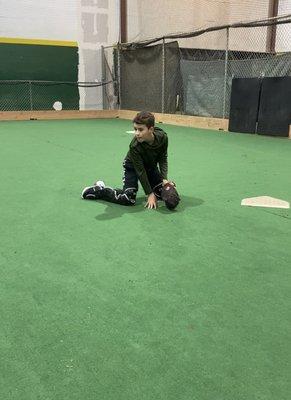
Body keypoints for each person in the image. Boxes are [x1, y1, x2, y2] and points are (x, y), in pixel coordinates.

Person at [81, 111, 180, 210]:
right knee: (128, 199)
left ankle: (155, 188)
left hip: (150, 167)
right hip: (132, 167)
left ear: (151, 129)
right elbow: (140, 171)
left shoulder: (163, 138)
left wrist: (164, 179)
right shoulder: (135, 146)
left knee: (162, 193)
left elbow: (163, 158)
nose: (137, 133)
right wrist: (149, 193)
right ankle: (100, 190)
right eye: (135, 129)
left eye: (141, 130)